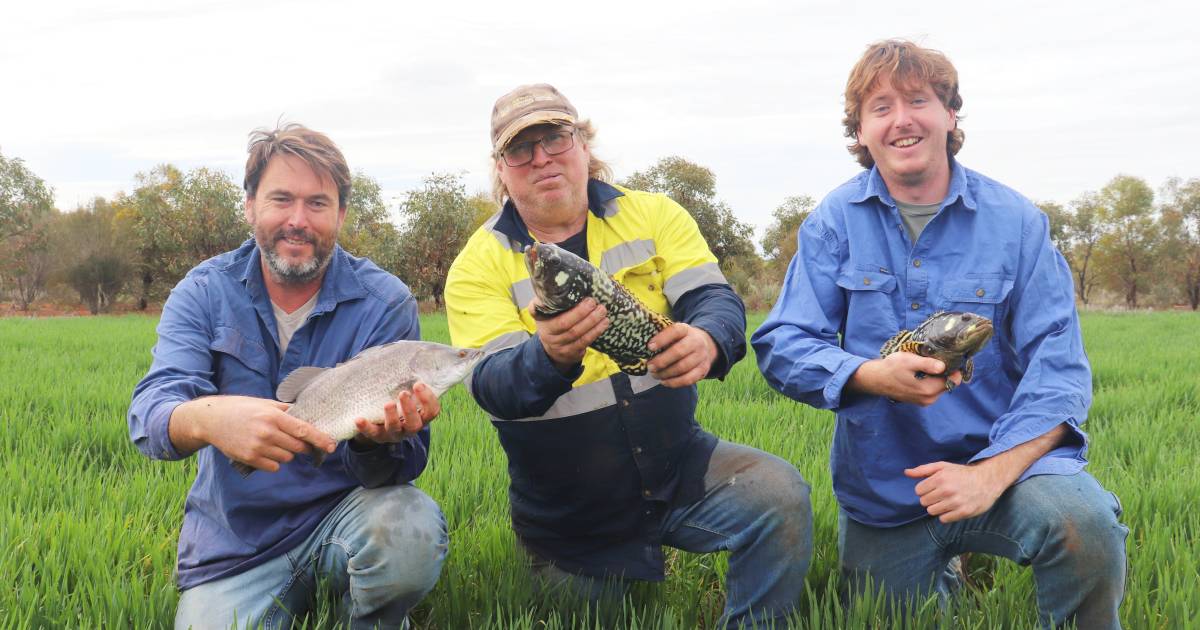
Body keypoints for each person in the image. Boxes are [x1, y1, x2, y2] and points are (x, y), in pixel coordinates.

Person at [752, 40, 1128, 628]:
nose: (901, 118)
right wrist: (871, 375)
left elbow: (1059, 374)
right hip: (887, 490)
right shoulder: (833, 221)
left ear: (950, 115)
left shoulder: (1018, 223)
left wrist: (988, 475)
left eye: (918, 100)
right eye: (880, 107)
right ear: (861, 132)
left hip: (1007, 469)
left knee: (1086, 525)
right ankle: (940, 569)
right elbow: (782, 344)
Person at [443, 83, 812, 628]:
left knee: (779, 495)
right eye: (520, 149)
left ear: (584, 144)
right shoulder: (476, 265)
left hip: (678, 465)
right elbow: (493, 385)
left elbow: (714, 299)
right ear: (501, 169)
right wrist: (550, 356)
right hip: (569, 512)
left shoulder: (655, 214)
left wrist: (707, 339)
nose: (541, 158)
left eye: (555, 138)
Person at [128, 124, 448, 629]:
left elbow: (401, 468)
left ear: (341, 214)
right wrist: (210, 419)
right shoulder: (203, 291)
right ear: (251, 204)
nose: (298, 220)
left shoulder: (386, 302)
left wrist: (377, 440)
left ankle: (368, 616)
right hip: (237, 543)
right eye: (282, 199)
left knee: (409, 528)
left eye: (318, 204)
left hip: (347, 521)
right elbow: (149, 416)